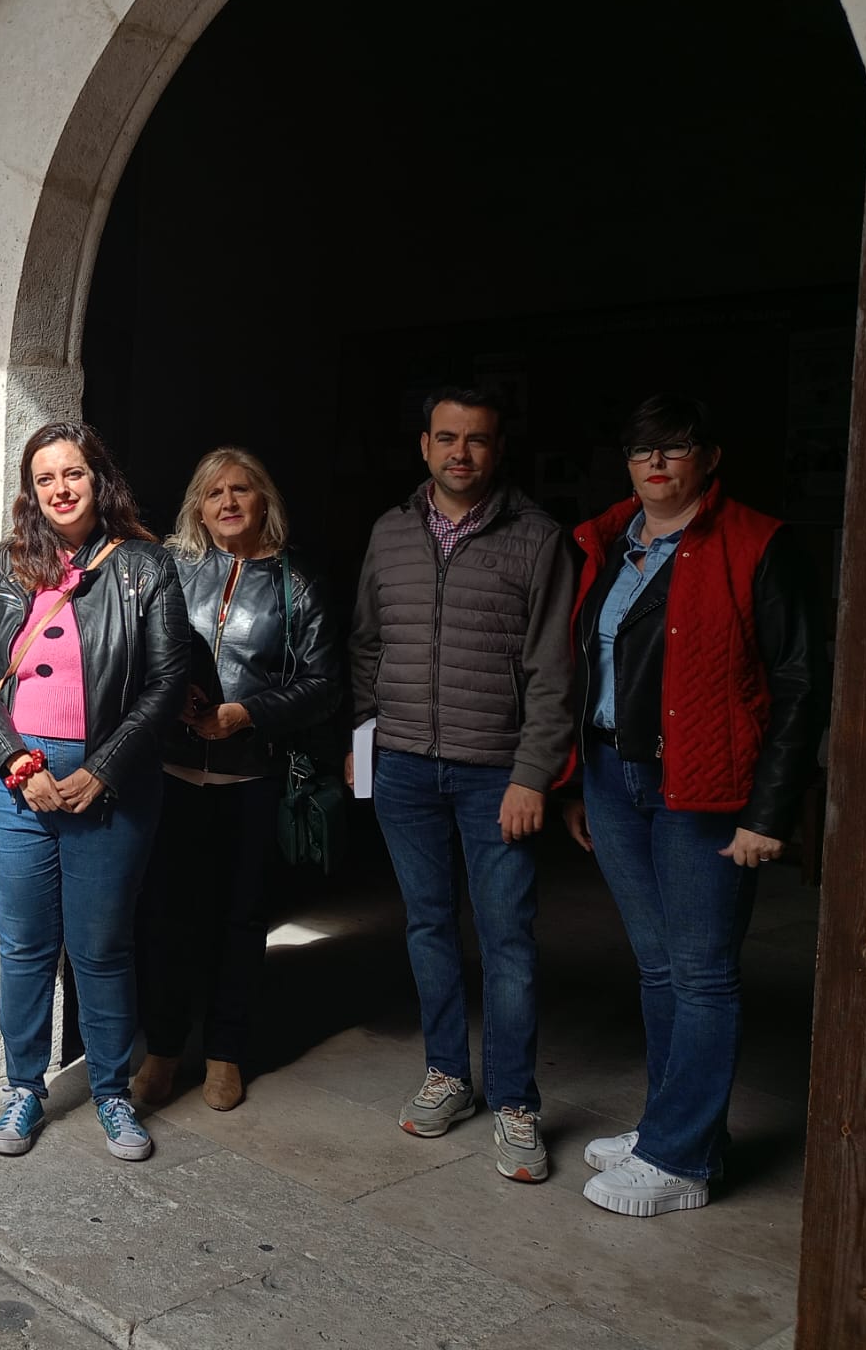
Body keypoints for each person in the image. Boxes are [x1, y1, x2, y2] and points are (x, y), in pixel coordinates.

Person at [563, 394, 821, 1217]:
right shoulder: (608, 539)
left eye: (676, 449)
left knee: (703, 976)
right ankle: (673, 1129)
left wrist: (769, 813)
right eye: (643, 450)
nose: (657, 464)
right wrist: (577, 780)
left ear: (710, 459)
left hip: (705, 790)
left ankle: (680, 1161)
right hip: (613, 777)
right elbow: (591, 669)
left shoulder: (758, 543)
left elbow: (798, 686)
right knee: (659, 967)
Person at [347, 387, 576, 1185]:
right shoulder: (390, 532)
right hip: (404, 763)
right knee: (427, 925)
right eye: (447, 438)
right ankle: (450, 1073)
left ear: (498, 449)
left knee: (509, 939)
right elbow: (367, 648)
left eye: (476, 441)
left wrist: (532, 774)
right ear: (424, 446)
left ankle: (515, 1102)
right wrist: (363, 743)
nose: (461, 454)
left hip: (495, 775)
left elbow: (554, 670)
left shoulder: (539, 540)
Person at [0, 420, 188, 1162]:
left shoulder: (146, 568)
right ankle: (24, 1089)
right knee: (25, 941)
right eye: (46, 478)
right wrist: (18, 764)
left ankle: (113, 1093)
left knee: (101, 945)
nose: (60, 488)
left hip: (108, 779)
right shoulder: (9, 564)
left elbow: (167, 682)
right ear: (32, 490)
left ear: (99, 480)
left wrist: (106, 767)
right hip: (11, 779)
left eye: (74, 474)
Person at [133, 447, 342, 1113]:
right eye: (214, 491)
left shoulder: (296, 584)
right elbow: (136, 651)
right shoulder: (172, 569)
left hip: (250, 779)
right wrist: (174, 704)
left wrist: (245, 713)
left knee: (240, 923)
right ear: (198, 505)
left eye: (242, 490)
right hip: (168, 774)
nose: (227, 502)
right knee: (165, 921)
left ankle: (225, 1052)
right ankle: (163, 1052)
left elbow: (325, 684)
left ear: (264, 502)